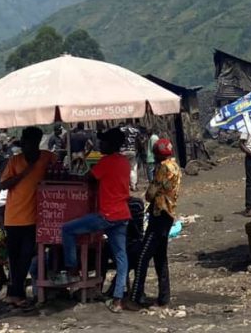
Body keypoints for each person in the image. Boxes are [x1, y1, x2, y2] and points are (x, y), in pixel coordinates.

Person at [61, 128, 131, 313]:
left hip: (106, 215)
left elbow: (88, 178)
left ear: (111, 144)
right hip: (122, 215)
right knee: (121, 257)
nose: (100, 145)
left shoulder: (106, 162)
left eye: (103, 142)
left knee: (67, 229)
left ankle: (72, 269)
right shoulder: (124, 161)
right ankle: (117, 300)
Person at [0, 127, 57, 308]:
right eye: (25, 144)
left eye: (31, 144)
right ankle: (15, 294)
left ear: (37, 143)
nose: (27, 147)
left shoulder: (48, 158)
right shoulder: (15, 162)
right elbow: (4, 184)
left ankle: (14, 293)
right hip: (13, 218)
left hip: (33, 219)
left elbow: (57, 173)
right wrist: (25, 172)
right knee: (14, 259)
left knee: (25, 256)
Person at [123, 138, 181, 311]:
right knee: (160, 259)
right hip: (169, 215)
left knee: (142, 257)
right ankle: (164, 299)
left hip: (159, 215)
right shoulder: (176, 166)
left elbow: (150, 193)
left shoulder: (163, 168)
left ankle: (135, 298)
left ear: (156, 154)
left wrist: (149, 195)